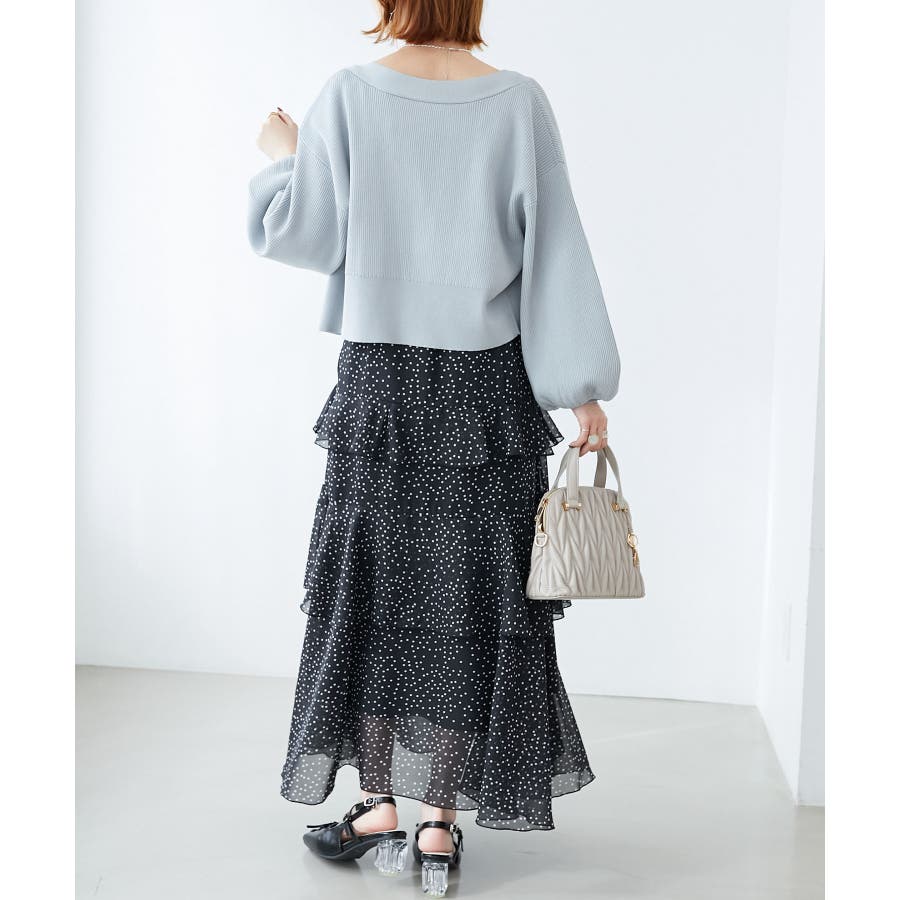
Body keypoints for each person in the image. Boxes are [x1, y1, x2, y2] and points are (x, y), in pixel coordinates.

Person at [247, 1, 621, 895]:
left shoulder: (348, 96)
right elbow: (557, 249)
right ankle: (439, 825)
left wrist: (283, 158)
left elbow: (301, 234)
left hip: (382, 386)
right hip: (484, 390)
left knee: (374, 589)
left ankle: (377, 804)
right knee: (467, 599)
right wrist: (582, 389)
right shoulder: (518, 102)